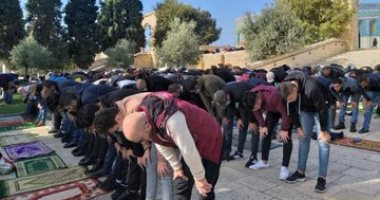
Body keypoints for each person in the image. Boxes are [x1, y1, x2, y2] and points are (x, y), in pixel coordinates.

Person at [123, 92, 223, 199]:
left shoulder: (172, 121)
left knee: (205, 188)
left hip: (210, 137)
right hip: (189, 138)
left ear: (147, 127)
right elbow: (160, 141)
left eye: (141, 139)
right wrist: (177, 167)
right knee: (181, 185)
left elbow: (188, 151)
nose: (143, 142)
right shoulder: (146, 116)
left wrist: (199, 178)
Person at [279, 71, 331, 193]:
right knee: (303, 138)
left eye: (291, 98)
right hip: (305, 109)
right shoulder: (285, 87)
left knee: (323, 142)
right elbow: (290, 107)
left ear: (295, 90)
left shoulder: (311, 87)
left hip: (322, 107)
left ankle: (321, 178)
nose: (289, 100)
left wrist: (323, 130)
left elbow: (322, 109)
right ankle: (300, 172)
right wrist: (298, 126)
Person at [243, 84, 293, 180]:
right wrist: (262, 125)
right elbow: (256, 111)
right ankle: (264, 161)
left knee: (286, 137)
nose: (255, 110)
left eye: (255, 107)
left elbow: (285, 112)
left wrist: (284, 129)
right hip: (272, 110)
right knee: (265, 133)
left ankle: (284, 167)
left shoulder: (272, 97)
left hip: (286, 108)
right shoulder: (252, 95)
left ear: (258, 101)